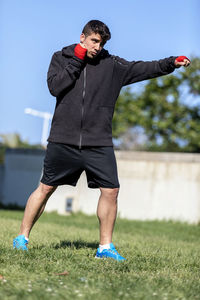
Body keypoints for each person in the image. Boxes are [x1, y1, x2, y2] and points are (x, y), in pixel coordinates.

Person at [13, 20, 190, 260]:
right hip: (63, 138)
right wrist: (77, 60)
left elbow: (144, 68)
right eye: (94, 41)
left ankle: (105, 248)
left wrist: (171, 63)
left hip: (98, 141)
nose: (98, 46)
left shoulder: (113, 65)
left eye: (102, 42)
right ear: (82, 37)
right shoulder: (60, 57)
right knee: (45, 187)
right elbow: (55, 87)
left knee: (111, 190)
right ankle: (21, 238)